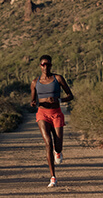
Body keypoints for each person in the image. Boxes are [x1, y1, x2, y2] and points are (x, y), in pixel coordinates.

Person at [30, 55, 74, 188]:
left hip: (56, 114)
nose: (46, 67)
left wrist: (58, 100)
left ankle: (58, 151)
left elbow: (70, 96)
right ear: (40, 66)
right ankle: (53, 177)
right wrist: (34, 102)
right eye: (43, 64)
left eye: (48, 65)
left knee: (58, 144)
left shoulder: (58, 78)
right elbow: (33, 101)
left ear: (51, 65)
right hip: (42, 114)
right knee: (48, 142)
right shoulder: (34, 82)